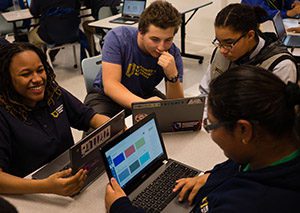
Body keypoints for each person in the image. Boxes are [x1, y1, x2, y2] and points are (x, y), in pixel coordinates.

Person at [104, 65, 300, 213]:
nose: (210, 132)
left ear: (243, 130)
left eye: (211, 125)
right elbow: (238, 167)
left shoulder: (251, 203)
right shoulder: (272, 148)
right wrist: (212, 176)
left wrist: (120, 208)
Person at [0, 42, 109, 196]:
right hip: (30, 192)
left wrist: (115, 127)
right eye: (26, 74)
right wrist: (45, 186)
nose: (37, 79)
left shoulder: (52, 92)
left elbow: (88, 116)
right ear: (7, 79)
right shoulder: (3, 114)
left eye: (40, 70)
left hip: (67, 178)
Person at [84, 0, 184, 118]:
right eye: (155, 39)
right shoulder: (118, 38)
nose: (161, 47)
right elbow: (110, 85)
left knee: (172, 120)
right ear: (140, 32)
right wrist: (142, 105)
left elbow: (177, 107)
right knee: (103, 131)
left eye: (168, 40)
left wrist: (173, 76)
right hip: (106, 98)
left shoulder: (172, 53)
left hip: (144, 94)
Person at [199, 3, 298, 94]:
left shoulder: (281, 65)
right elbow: (205, 92)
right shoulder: (220, 53)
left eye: (229, 43)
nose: (222, 50)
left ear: (250, 35)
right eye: (219, 42)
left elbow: (277, 111)